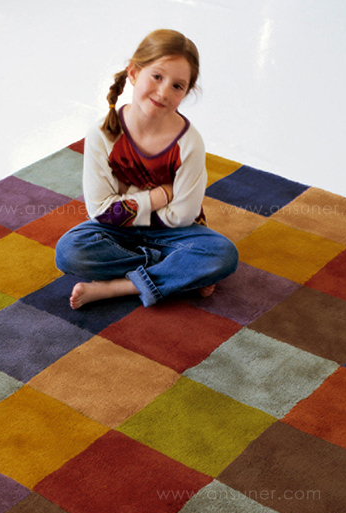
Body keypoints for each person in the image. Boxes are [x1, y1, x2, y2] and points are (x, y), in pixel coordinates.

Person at [55, 29, 238, 309]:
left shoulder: (189, 142)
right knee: (69, 250)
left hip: (174, 232)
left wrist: (126, 205)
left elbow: (183, 215)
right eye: (157, 76)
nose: (163, 92)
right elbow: (100, 211)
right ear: (133, 73)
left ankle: (118, 287)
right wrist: (160, 196)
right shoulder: (102, 135)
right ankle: (178, 272)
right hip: (117, 231)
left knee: (223, 254)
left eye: (177, 86)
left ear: (186, 93)